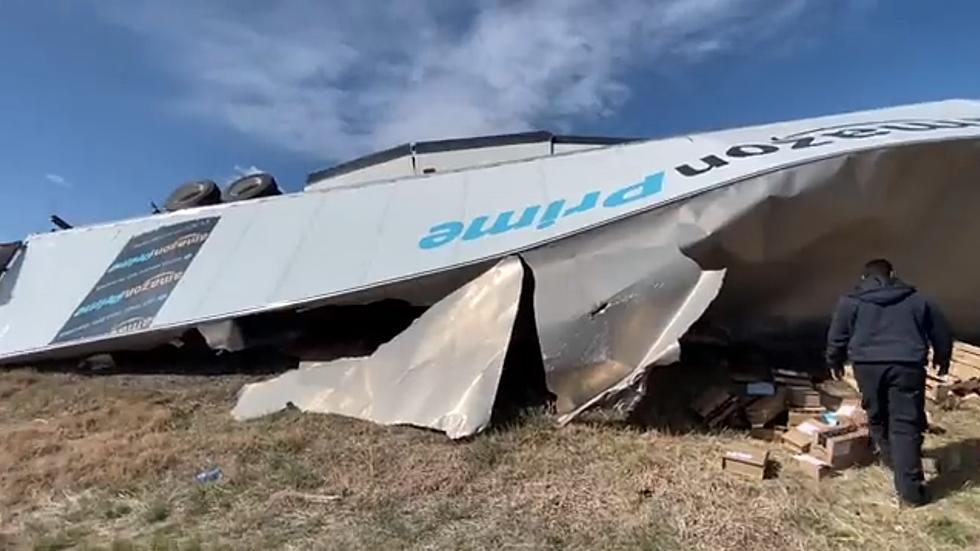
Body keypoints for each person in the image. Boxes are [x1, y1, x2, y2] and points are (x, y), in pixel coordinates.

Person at [826, 258, 952, 506]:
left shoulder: (851, 302)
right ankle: (910, 491)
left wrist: (834, 362)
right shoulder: (918, 299)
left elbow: (837, 335)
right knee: (905, 425)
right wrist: (942, 358)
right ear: (893, 274)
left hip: (868, 367)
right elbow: (941, 331)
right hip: (907, 365)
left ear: (864, 279)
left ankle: (894, 463)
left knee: (877, 416)